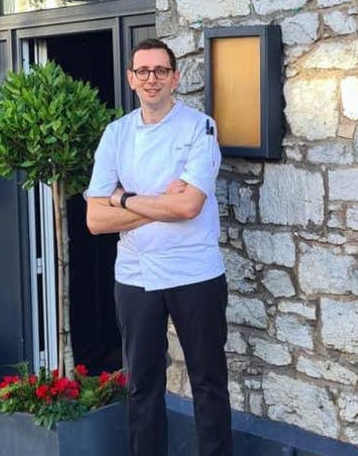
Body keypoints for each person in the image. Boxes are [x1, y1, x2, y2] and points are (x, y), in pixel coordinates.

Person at [85, 38, 232, 456]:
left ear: (175, 78)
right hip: (135, 276)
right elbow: (95, 220)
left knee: (208, 383)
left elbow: (189, 205)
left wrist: (125, 199)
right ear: (131, 79)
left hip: (195, 273)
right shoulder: (116, 134)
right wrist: (160, 205)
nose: (152, 79)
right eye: (143, 71)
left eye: (160, 71)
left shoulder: (199, 127)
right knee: (142, 385)